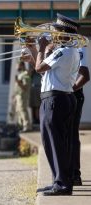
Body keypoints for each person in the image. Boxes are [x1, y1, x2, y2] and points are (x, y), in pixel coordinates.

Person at [27, 13, 80, 196]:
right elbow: (44, 73)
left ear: (65, 33)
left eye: (56, 31)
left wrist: (41, 48)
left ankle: (63, 184)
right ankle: (58, 180)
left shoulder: (63, 51)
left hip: (55, 100)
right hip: (58, 97)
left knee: (55, 142)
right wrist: (34, 50)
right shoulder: (68, 51)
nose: (53, 35)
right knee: (51, 142)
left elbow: (39, 68)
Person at [71, 46, 90, 186]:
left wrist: (70, 90)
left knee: (71, 135)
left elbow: (85, 75)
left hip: (72, 94)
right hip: (59, 94)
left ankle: (74, 174)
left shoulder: (79, 46)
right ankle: (64, 174)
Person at [14, 61, 32, 132]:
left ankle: (27, 126)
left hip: (23, 95)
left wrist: (18, 82)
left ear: (22, 65)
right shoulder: (21, 74)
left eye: (17, 66)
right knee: (19, 110)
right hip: (18, 95)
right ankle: (21, 125)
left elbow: (25, 87)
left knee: (23, 110)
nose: (16, 68)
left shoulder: (25, 74)